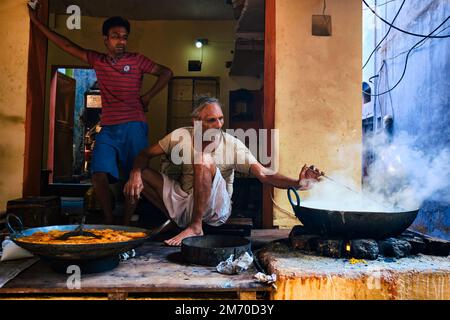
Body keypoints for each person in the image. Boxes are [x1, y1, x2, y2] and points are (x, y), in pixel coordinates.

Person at [28, 3, 173, 225]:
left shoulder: (136, 60)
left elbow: (166, 72)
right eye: (115, 36)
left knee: (134, 176)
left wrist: (148, 96)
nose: (121, 41)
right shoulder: (98, 61)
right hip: (108, 128)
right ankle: (108, 219)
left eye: (124, 37)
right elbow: (66, 44)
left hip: (134, 125)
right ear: (105, 39)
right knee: (98, 175)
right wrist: (37, 23)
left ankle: (125, 224)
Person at [124, 96, 323, 246]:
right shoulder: (180, 136)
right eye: (211, 120)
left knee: (202, 159)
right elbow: (144, 155)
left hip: (216, 209)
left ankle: (195, 227)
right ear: (196, 121)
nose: (218, 125)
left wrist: (298, 183)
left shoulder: (232, 145)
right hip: (184, 202)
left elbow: (264, 174)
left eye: (220, 119)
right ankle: (126, 231)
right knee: (140, 173)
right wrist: (134, 174)